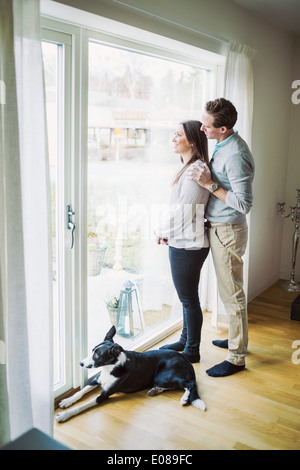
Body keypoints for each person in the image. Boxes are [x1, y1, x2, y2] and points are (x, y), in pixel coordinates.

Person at [187, 98, 255, 377]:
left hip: (228, 230)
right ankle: (237, 340)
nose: (202, 128)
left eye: (207, 125)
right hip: (219, 226)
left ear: (224, 128)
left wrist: (209, 185)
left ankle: (237, 356)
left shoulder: (236, 154)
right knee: (229, 291)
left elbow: (244, 203)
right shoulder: (223, 144)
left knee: (232, 294)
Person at [155, 120, 210, 363]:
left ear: (193, 141)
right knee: (188, 297)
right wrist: (168, 231)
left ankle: (192, 350)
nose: (174, 138)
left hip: (188, 245)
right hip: (185, 241)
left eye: (179, 135)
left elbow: (184, 211)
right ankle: (185, 340)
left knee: (188, 299)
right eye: (174, 133)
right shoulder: (189, 167)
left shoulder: (193, 170)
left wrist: (160, 230)